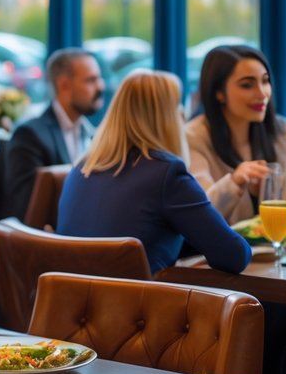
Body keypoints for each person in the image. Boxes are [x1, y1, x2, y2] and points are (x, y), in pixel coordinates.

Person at [56, 69, 251, 275]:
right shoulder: (167, 173)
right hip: (132, 304)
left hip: (71, 303)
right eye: (177, 107)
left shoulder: (81, 167)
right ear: (168, 117)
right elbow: (235, 256)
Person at [185, 45, 286, 224]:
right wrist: (235, 182)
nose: (262, 93)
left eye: (265, 81)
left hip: (277, 247)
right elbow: (200, 216)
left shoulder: (282, 131)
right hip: (220, 251)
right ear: (219, 93)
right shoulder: (193, 137)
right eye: (247, 85)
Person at [0, 48, 104, 221]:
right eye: (91, 80)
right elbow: (26, 210)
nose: (101, 86)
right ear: (64, 85)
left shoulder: (92, 134)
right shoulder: (29, 135)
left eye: (99, 79)